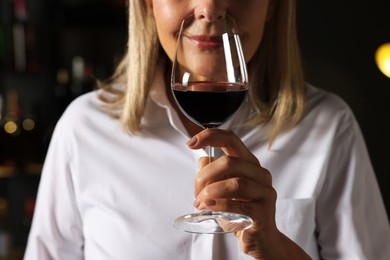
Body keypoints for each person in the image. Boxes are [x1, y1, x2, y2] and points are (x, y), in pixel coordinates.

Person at [24, 0, 389, 259]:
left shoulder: (328, 125)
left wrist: (276, 248)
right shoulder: (83, 129)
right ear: (147, 4)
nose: (210, 7)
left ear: (273, 5)